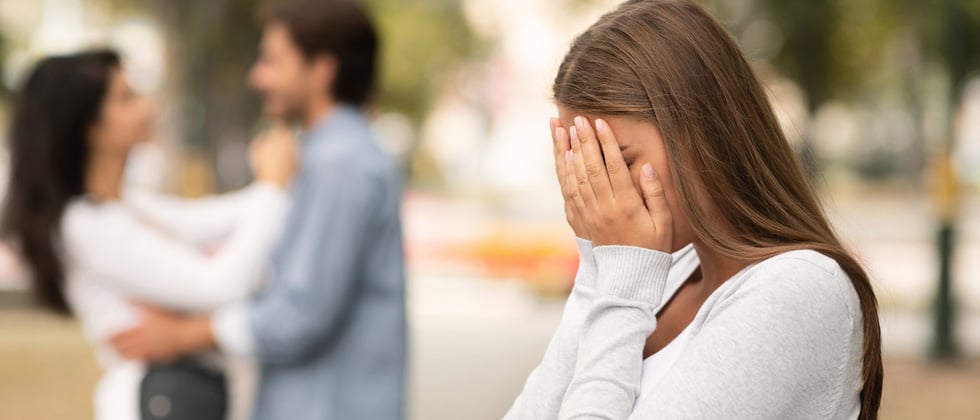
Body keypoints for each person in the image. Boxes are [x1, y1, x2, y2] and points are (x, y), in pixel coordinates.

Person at [505, 0, 882, 419]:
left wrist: (619, 282)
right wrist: (597, 266)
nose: (600, 194)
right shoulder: (657, 277)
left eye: (618, 161)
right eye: (584, 165)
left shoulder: (800, 288)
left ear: (704, 133)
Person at [109, 1, 408, 419]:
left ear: (323, 70)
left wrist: (186, 335)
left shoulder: (339, 166)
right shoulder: (326, 157)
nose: (257, 77)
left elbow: (302, 313)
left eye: (273, 61)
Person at [0, 49, 297, 420]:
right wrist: (272, 189)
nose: (147, 106)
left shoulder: (126, 206)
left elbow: (217, 218)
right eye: (126, 98)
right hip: (159, 401)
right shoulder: (84, 224)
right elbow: (216, 285)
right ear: (89, 127)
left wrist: (276, 179)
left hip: (187, 397)